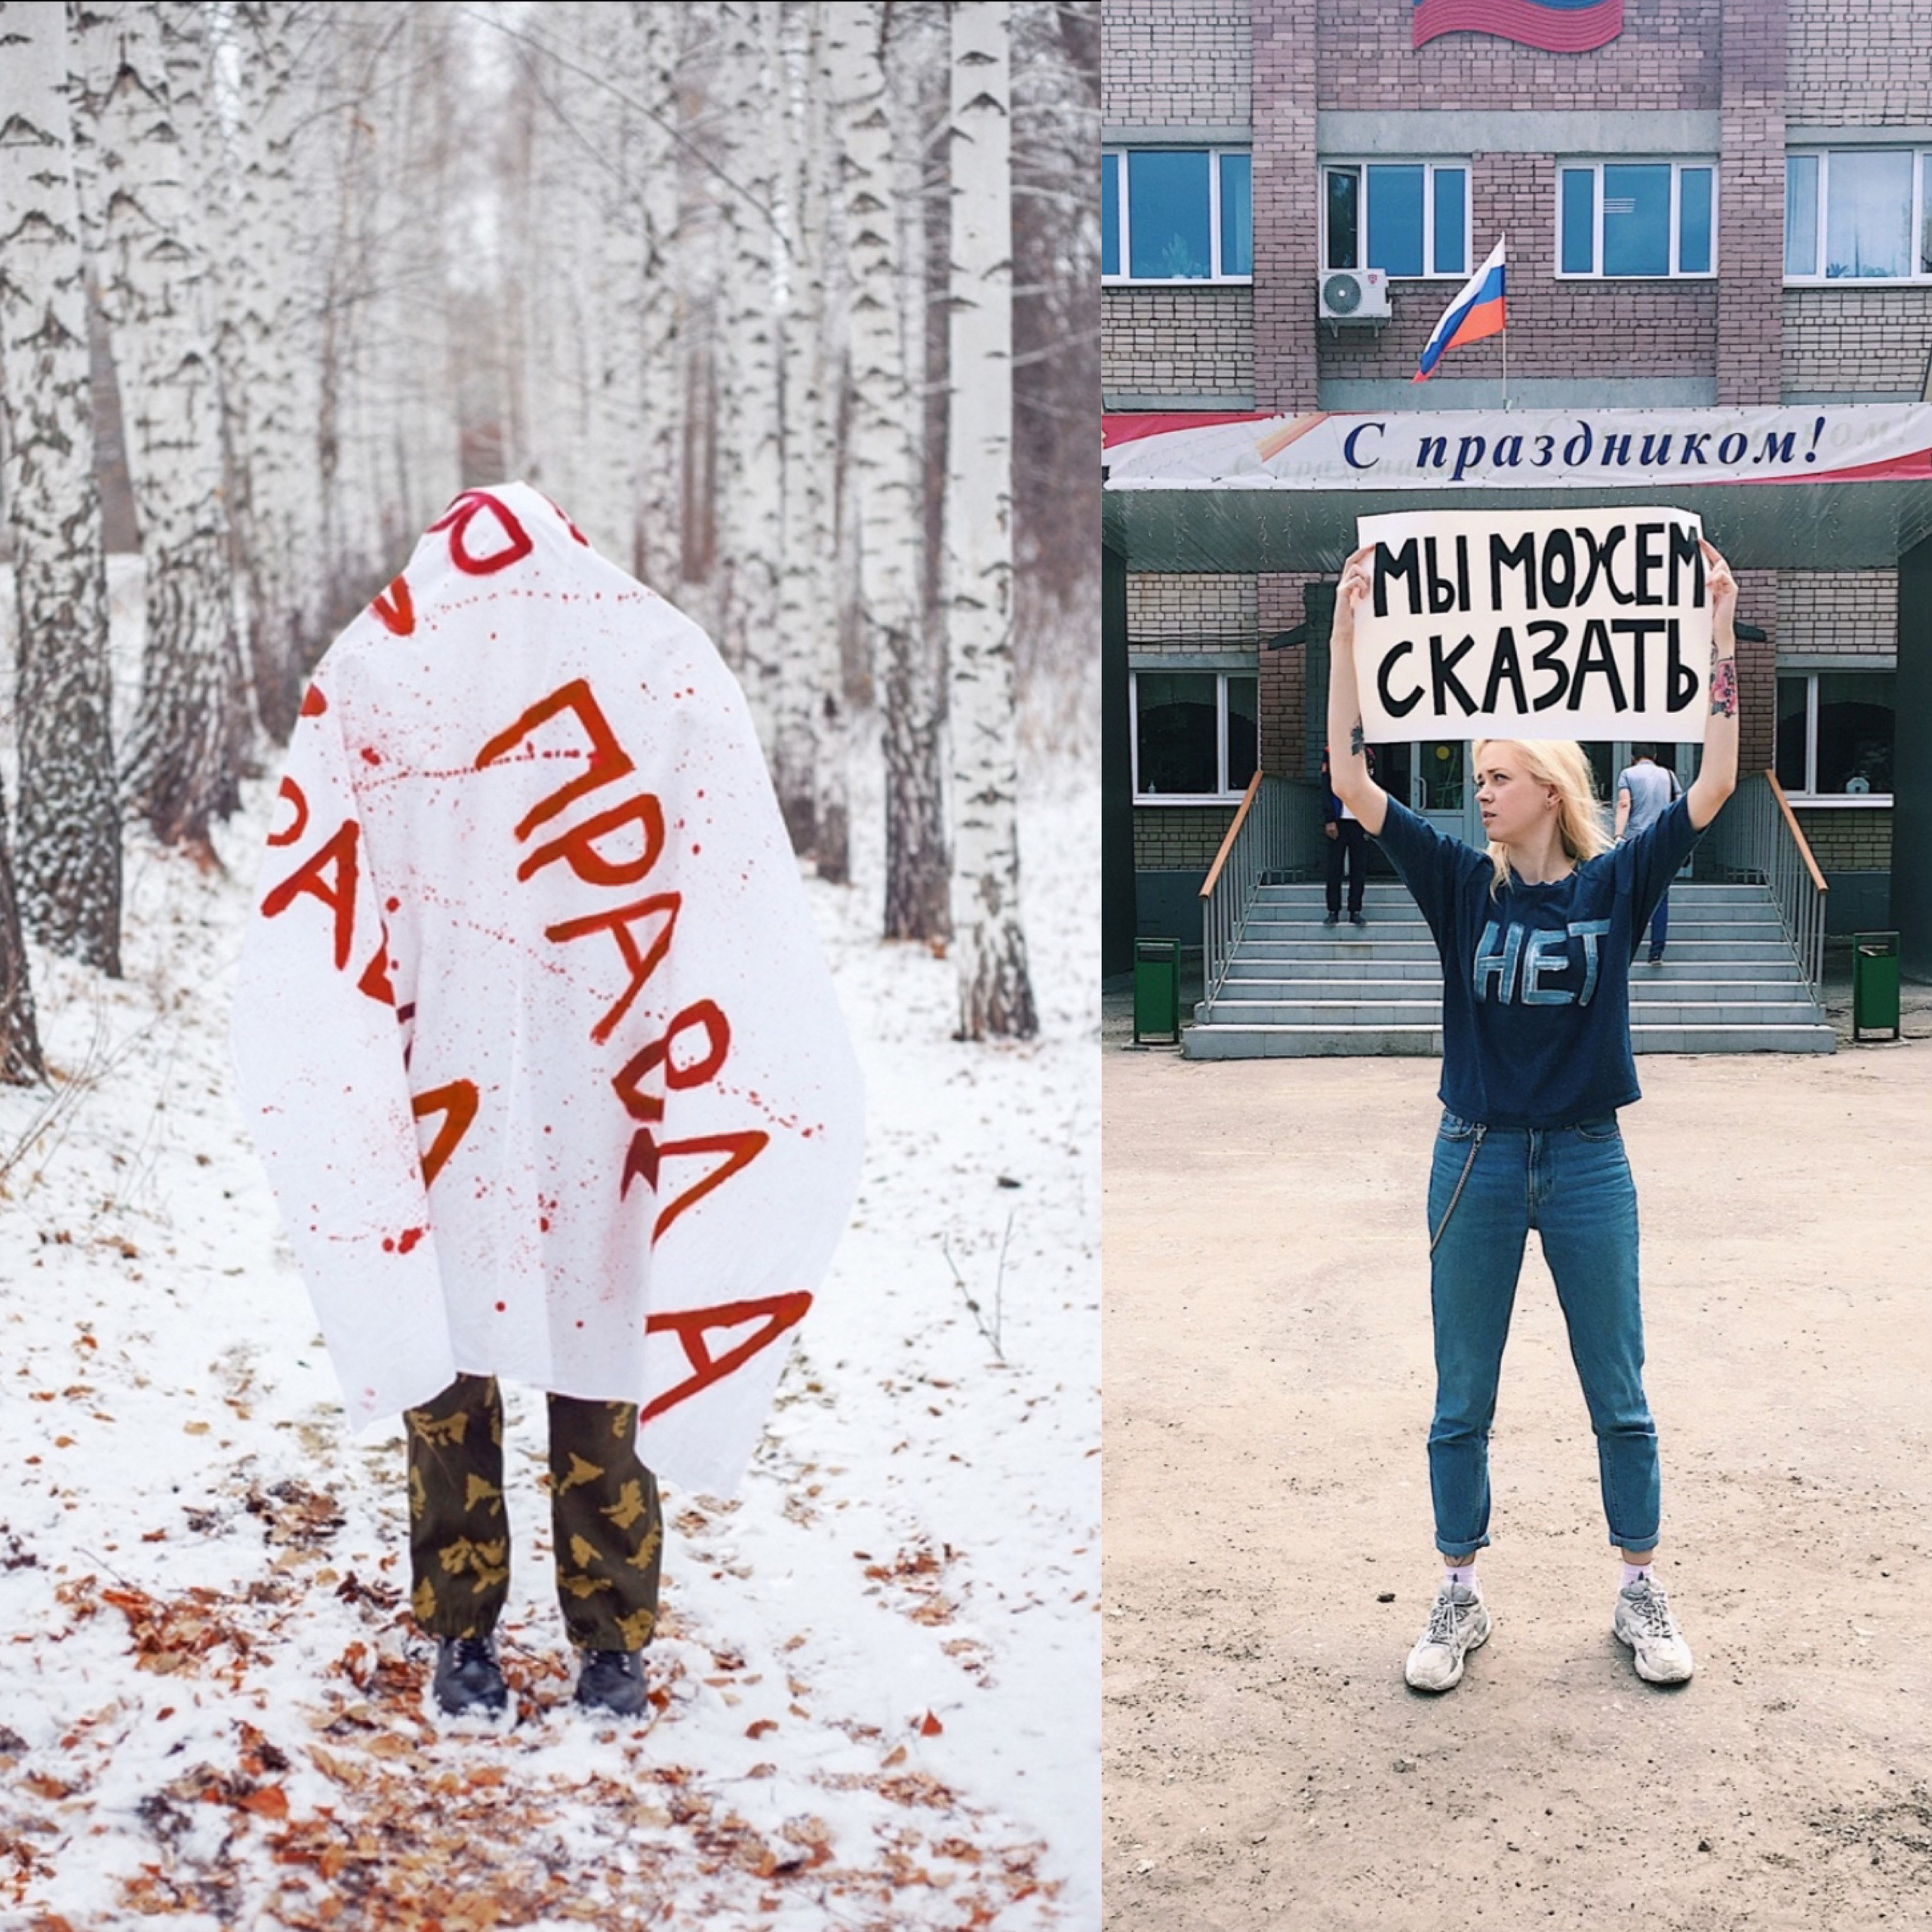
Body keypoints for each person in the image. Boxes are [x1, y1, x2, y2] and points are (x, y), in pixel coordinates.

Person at [232, 484, 863, 1723]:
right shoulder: (654, 655)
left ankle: (467, 1637)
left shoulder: (382, 659)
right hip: (597, 1068)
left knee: (456, 1353)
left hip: (478, 1072)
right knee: (601, 1342)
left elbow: (313, 896)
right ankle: (607, 1646)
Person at [1324, 534, 1740, 1694]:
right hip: (1476, 1163)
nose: (1480, 789)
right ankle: (1459, 1597)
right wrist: (1347, 639)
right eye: (1478, 776)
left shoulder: (1611, 884)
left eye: (1497, 775)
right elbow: (1354, 781)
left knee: (1622, 1393)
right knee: (1464, 1396)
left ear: (1548, 790)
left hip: (1592, 1163)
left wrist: (1717, 633)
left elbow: (1711, 786)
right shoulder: (1459, 882)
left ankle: (1639, 1594)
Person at [1614, 746, 1683, 964]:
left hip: (1636, 840)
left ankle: (1627, 948)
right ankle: (1656, 951)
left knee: (1631, 894)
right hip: (1663, 840)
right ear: (1655, 756)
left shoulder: (1627, 774)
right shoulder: (1670, 776)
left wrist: (1618, 834)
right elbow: (1679, 807)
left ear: (1633, 758)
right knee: (1660, 896)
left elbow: (1625, 804)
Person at [1318, 741, 1374, 928]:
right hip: (1338, 819)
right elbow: (1326, 787)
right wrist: (1329, 819)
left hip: (1359, 820)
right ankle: (1333, 910)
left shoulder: (1368, 754)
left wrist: (1370, 819)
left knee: (1359, 867)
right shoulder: (1331, 752)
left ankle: (1355, 910)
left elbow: (1372, 789)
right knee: (1335, 866)